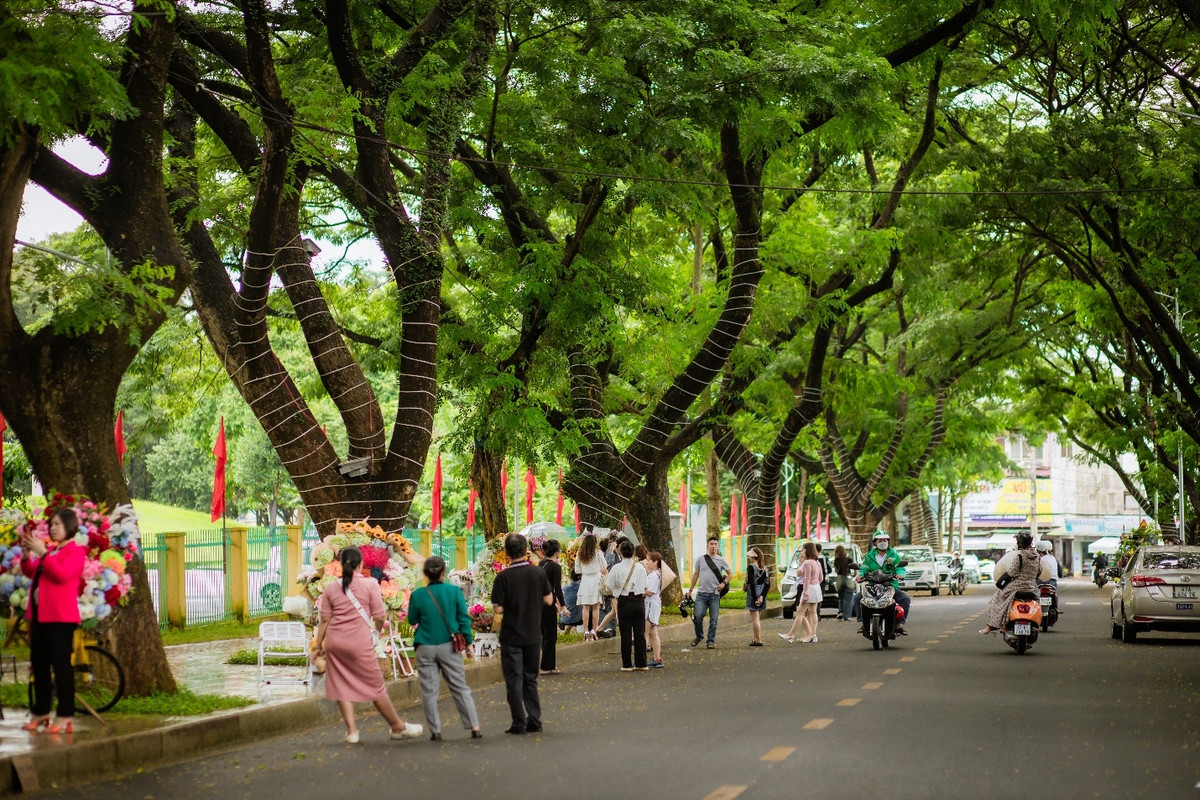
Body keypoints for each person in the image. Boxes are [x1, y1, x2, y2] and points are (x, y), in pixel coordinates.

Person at [314, 547, 422, 743]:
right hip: (359, 641)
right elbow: (379, 616)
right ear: (361, 564)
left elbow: (324, 620)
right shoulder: (371, 584)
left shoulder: (331, 588)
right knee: (375, 685)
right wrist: (376, 632)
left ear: (339, 564)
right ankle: (397, 727)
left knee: (341, 684)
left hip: (335, 642)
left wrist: (317, 647)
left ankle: (352, 731)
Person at [21, 508, 86, 734]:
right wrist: (27, 555)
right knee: (38, 665)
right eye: (52, 524)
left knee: (61, 667)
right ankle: (41, 711)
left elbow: (62, 575)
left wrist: (43, 554)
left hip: (60, 619)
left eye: (58, 524)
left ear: (69, 526)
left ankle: (65, 714)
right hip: (40, 617)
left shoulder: (76, 552)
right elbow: (31, 572)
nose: (53, 528)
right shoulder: (51, 551)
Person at [406, 556, 482, 741]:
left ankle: (436, 731)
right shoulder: (454, 591)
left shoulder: (417, 594)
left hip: (424, 646)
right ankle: (474, 727)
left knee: (430, 691)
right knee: (459, 687)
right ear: (443, 573)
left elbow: (412, 620)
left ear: (425, 573)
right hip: (448, 646)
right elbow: (463, 619)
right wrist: (469, 644)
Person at [490, 533, 554, 735]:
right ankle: (534, 720)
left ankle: (519, 722)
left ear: (507, 553)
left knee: (514, 679)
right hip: (534, 634)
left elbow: (498, 609)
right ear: (526, 550)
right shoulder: (538, 573)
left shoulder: (503, 577)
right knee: (530, 678)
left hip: (511, 636)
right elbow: (549, 600)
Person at [980, 532, 1052, 635]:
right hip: (1032, 587)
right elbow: (1039, 571)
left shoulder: (1020, 556)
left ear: (1019, 543)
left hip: (1016, 587)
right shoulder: (1037, 556)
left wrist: (1004, 579)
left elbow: (1012, 572)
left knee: (997, 598)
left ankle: (991, 626)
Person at [855, 532, 911, 633]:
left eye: (885, 540)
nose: (883, 542)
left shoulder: (894, 555)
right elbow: (864, 568)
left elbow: (900, 568)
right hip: (872, 586)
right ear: (875, 542)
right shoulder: (869, 556)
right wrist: (860, 575)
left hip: (890, 586)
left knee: (905, 599)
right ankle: (863, 623)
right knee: (857, 598)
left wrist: (900, 575)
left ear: (888, 542)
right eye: (880, 540)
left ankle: (898, 624)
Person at [605, 539, 648, 671]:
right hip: (639, 600)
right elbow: (645, 585)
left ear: (620, 552)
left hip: (624, 600)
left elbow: (608, 586)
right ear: (633, 552)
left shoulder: (616, 568)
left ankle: (627, 664)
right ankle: (641, 663)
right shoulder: (640, 567)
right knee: (640, 633)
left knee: (626, 634)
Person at [684, 536, 730, 649]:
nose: (713, 546)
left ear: (718, 546)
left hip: (715, 594)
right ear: (707, 546)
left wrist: (723, 583)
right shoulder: (701, 559)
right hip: (701, 594)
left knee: (713, 619)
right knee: (698, 616)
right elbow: (695, 575)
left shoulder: (721, 560)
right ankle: (699, 636)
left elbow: (730, 574)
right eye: (711, 544)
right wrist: (690, 590)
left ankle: (710, 641)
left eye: (715, 544)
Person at [780, 542, 822, 643]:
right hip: (816, 588)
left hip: (809, 588)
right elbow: (821, 578)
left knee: (800, 613)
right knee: (813, 612)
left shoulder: (807, 563)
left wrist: (806, 592)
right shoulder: (817, 562)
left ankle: (790, 635)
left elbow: (806, 579)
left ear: (807, 551)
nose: (802, 552)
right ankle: (813, 635)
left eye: (803, 550)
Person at [539, 539, 566, 674]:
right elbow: (557, 588)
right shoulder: (555, 567)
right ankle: (546, 667)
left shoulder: (541, 564)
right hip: (548, 604)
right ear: (556, 553)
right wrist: (563, 606)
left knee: (545, 635)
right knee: (551, 636)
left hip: (539, 603)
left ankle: (550, 665)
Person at [574, 532, 607, 641]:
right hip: (596, 580)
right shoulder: (598, 553)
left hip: (585, 580)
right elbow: (604, 566)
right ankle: (594, 629)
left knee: (585, 607)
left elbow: (577, 570)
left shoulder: (580, 554)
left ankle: (585, 630)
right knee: (595, 607)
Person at [744, 547, 769, 646]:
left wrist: (755, 598)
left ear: (754, 556)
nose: (749, 557)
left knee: (755, 618)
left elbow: (752, 583)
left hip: (753, 593)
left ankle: (758, 640)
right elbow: (768, 584)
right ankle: (755, 638)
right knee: (757, 616)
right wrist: (762, 596)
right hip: (762, 591)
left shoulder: (751, 567)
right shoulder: (765, 568)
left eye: (750, 555)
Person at [644, 552, 664, 668]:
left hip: (650, 605)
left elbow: (650, 592)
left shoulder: (654, 576)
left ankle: (641, 658)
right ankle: (657, 658)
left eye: (649, 560)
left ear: (655, 562)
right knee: (653, 633)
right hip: (654, 605)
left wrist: (638, 590)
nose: (647, 563)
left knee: (645, 633)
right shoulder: (656, 575)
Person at [833, 544, 855, 621]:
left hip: (839, 578)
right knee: (848, 598)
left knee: (841, 597)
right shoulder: (849, 559)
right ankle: (847, 616)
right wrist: (854, 574)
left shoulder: (836, 560)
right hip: (848, 578)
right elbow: (855, 568)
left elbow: (836, 570)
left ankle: (841, 612)